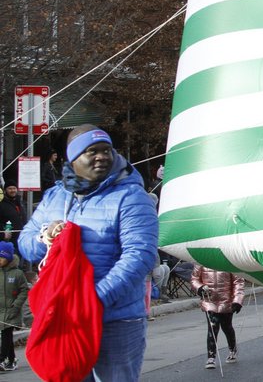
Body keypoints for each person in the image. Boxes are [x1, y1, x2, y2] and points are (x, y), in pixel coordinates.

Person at [20, 124, 159, 381]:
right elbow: (25, 245)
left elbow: (139, 256)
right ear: (72, 159)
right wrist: (45, 237)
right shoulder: (54, 197)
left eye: (107, 150)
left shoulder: (131, 197)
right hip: (68, 320)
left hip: (116, 320)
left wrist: (92, 301)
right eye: (91, 151)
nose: (102, 156)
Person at [191, 264, 245, 369]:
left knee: (227, 327)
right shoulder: (200, 260)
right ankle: (211, 357)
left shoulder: (227, 260)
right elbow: (194, 279)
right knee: (212, 327)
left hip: (226, 301)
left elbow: (238, 281)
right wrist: (200, 287)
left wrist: (237, 300)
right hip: (209, 301)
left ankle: (232, 349)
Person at [0, 242, 26, 371]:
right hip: (0, 310)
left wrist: (16, 305)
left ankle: (1, 359)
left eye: (2, 257)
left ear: (9, 257)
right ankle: (11, 359)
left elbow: (24, 290)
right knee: (7, 336)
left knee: (6, 333)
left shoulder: (17, 273)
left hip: (12, 310)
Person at [0, 185, 25, 253]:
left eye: (14, 188)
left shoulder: (19, 202)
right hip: (8, 239)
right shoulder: (2, 204)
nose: (12, 190)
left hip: (21, 236)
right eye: (10, 188)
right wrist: (3, 234)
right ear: (5, 190)